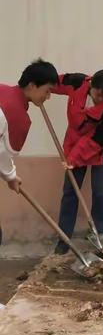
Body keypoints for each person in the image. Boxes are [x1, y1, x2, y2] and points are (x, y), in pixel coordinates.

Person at [52, 69, 103, 255]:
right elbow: (55, 81)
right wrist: (38, 84)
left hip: (102, 148)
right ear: (91, 87)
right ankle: (64, 238)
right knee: (70, 191)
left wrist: (74, 159)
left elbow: (97, 138)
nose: (101, 99)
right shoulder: (78, 82)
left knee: (99, 191)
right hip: (74, 144)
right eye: (98, 94)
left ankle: (102, 234)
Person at [0, 59, 58, 244]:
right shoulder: (17, 116)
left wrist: (10, 176)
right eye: (47, 90)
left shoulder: (2, 90)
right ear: (32, 86)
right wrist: (10, 176)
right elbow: (2, 154)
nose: (48, 96)